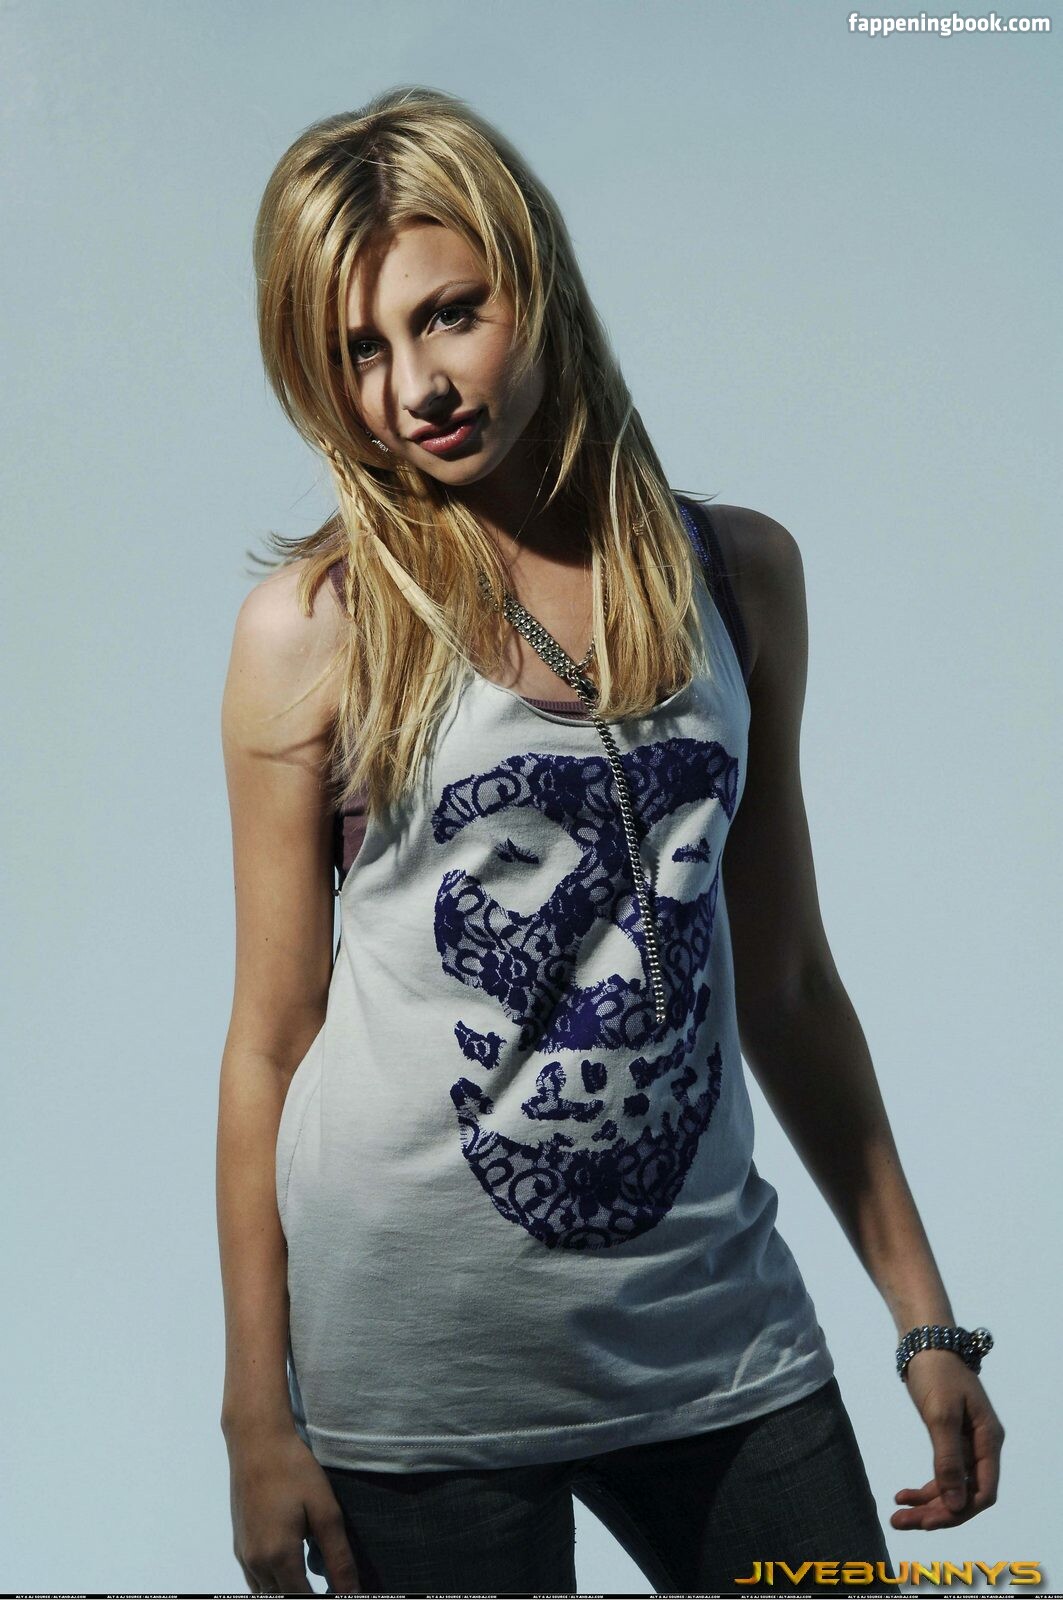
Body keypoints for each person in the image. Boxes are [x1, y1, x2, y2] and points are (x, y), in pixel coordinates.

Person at [216, 85, 1004, 1597]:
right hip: (418, 1363)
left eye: (449, 315)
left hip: (712, 1332)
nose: (415, 389)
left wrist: (925, 1318)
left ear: (536, 282)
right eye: (360, 352)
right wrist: (259, 1412)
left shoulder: (738, 577)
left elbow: (786, 983)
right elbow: (270, 1042)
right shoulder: (315, 631)